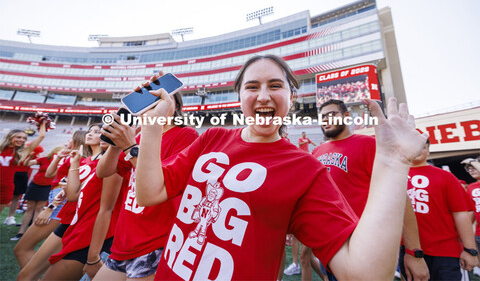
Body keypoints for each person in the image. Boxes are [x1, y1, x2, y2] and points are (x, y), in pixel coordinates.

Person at [134, 54, 428, 280]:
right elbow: (149, 193)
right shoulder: (212, 138)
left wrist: (393, 164)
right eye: (252, 87)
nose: (263, 96)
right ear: (240, 100)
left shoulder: (305, 169)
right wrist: (151, 124)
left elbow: (364, 274)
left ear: (292, 98)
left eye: (275, 86)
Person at [312, 99, 429, 281]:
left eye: (332, 114)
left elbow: (399, 199)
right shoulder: (316, 152)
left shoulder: (370, 145)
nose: (327, 119)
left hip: (368, 243)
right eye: (323, 117)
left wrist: (414, 252)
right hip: (331, 243)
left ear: (346, 116)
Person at [92, 93, 199, 280]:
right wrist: (116, 143)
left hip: (155, 240)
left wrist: (129, 146)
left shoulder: (186, 134)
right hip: (124, 239)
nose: (157, 104)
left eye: (165, 98)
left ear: (176, 105)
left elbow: (162, 181)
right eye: (152, 100)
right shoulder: (139, 136)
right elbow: (103, 171)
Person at [41, 124, 123, 281]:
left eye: (98, 132)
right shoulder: (86, 161)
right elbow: (73, 195)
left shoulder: (111, 163)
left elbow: (106, 208)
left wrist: (93, 255)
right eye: (91, 131)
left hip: (89, 230)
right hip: (75, 223)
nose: (93, 134)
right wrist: (74, 164)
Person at [400, 141, 478, 280]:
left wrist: (470, 249)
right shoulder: (394, 177)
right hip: (408, 251)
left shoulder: (446, 177)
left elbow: (460, 213)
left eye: (422, 147)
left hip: (444, 252)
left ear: (429, 151)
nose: (416, 151)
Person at [14, 130, 86, 270]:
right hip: (56, 198)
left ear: (77, 141)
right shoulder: (69, 156)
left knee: (22, 249)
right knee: (35, 252)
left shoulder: (79, 160)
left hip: (60, 202)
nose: (67, 141)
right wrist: (57, 158)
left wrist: (50, 208)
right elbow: (49, 174)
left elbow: (66, 188)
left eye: (70, 139)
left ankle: (31, 276)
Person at [10, 146, 63, 241]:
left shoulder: (62, 162)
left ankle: (31, 233)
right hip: (35, 184)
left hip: (47, 186)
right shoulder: (44, 159)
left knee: (38, 209)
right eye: (60, 150)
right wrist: (30, 157)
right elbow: (27, 164)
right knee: (30, 208)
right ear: (55, 151)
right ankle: (20, 233)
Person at [1, 122, 46, 220]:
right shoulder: (1, 148)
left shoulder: (21, 151)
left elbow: (41, 136)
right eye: (18, 137)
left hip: (6, 185)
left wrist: (42, 122)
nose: (21, 140)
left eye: (24, 138)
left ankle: (10, 217)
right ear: (10, 137)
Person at [464, 156, 480, 276]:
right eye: (469, 168)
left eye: (473, 167)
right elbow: (471, 211)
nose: (471, 170)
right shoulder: (471, 187)